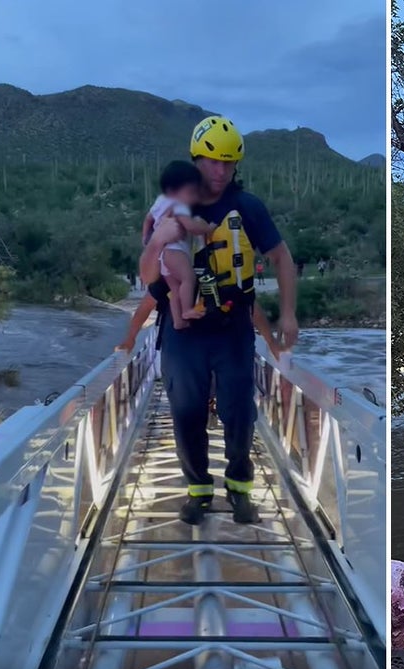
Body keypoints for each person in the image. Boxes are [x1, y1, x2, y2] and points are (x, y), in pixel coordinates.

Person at [139, 115, 299, 526]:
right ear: (196, 160)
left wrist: (288, 313)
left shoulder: (247, 208)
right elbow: (147, 272)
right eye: (212, 162)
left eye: (228, 163)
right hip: (184, 330)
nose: (220, 171)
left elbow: (281, 258)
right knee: (186, 409)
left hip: (231, 326)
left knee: (238, 409)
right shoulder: (171, 207)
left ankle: (240, 488)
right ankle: (198, 490)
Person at [141, 161, 215, 329]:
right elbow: (192, 227)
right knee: (188, 279)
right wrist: (208, 228)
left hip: (162, 255)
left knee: (175, 289)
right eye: (192, 192)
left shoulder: (160, 201)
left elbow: (148, 219)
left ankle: (179, 322)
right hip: (175, 251)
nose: (195, 197)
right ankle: (187, 310)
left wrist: (145, 237)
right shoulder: (178, 205)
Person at [117, 291, 281, 361]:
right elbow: (146, 305)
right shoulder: (173, 274)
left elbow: (250, 307)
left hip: (213, 344)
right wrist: (130, 338)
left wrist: (271, 342)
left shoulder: (223, 274)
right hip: (184, 347)